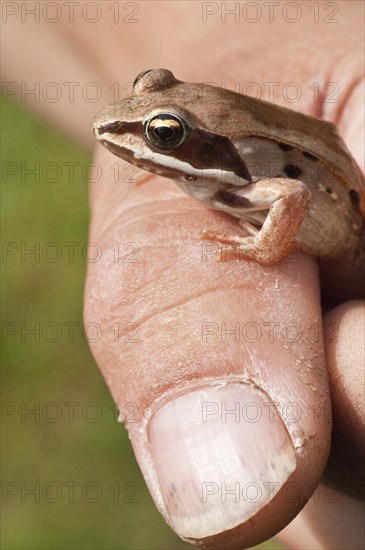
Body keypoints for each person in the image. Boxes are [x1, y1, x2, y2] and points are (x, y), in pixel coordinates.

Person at [4, 1, 363, 548]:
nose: (122, 129)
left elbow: (289, 192)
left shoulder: (250, 184)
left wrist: (265, 251)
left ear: (200, 143)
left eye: (163, 133)